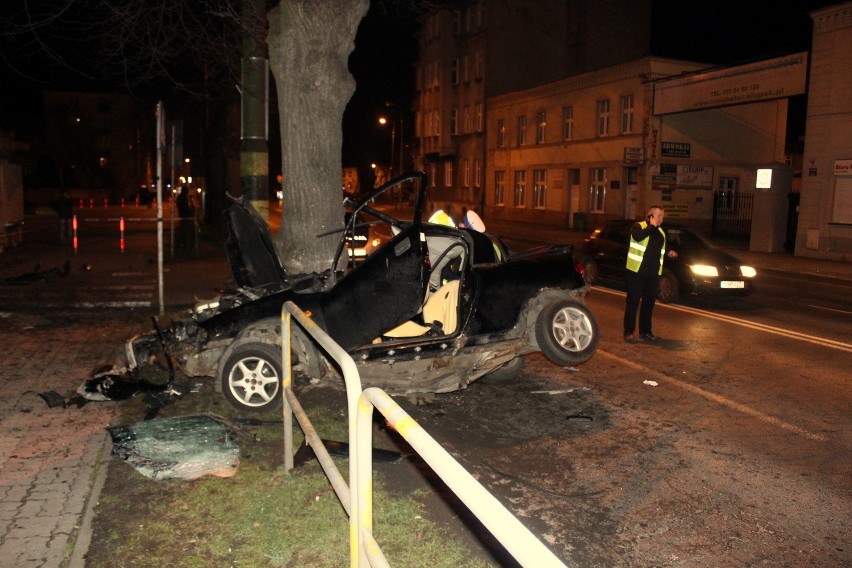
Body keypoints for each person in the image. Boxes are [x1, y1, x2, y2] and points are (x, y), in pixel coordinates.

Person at [623, 205, 678, 342]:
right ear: (651, 216)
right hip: (636, 273)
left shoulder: (661, 232)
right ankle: (628, 332)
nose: (662, 219)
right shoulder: (639, 227)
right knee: (633, 302)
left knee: (648, 304)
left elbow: (661, 250)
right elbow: (638, 238)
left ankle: (645, 333)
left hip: (652, 275)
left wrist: (669, 253)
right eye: (659, 216)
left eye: (663, 216)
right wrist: (651, 227)